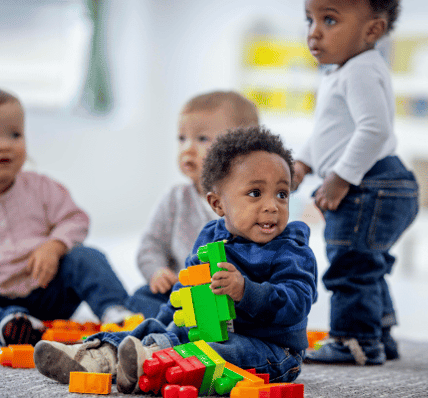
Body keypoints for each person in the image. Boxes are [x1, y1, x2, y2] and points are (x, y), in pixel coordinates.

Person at [34, 126, 318, 393]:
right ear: (218, 204)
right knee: (160, 328)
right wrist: (164, 326)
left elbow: (297, 303)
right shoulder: (210, 237)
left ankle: (153, 361)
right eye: (255, 193)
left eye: (282, 194)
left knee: (225, 352)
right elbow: (186, 293)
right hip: (207, 332)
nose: (272, 206)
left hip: (271, 350)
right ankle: (101, 355)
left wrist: (246, 291)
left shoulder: (291, 249)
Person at [293, 0, 419, 365]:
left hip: (371, 185)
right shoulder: (343, 71)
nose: (314, 32)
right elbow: (329, 133)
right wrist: (303, 163)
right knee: (367, 261)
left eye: (329, 20)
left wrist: (340, 178)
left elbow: (374, 129)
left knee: (350, 263)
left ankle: (355, 340)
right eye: (310, 19)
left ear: (372, 30)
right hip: (383, 184)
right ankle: (379, 332)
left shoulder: (359, 71)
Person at [0, 89, 134, 347]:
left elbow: (75, 219)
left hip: (46, 289)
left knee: (85, 256)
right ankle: (13, 325)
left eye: (15, 134)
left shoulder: (41, 187)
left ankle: (115, 311)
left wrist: (55, 245)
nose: (6, 144)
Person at [127, 91, 260, 318]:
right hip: (183, 293)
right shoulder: (175, 198)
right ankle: (178, 324)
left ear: (242, 150)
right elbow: (151, 245)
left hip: (229, 295)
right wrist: (157, 272)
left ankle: (182, 326)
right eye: (182, 138)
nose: (187, 148)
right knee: (140, 298)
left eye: (202, 139)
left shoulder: (250, 201)